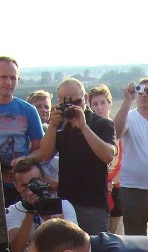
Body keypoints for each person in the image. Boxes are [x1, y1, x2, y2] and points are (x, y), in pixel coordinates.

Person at [0, 56, 45, 252]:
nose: (8, 82)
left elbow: (40, 147)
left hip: (20, 186)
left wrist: (23, 163)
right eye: (3, 76)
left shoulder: (27, 111)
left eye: (13, 77)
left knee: (24, 234)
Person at [37, 78, 115, 237]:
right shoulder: (59, 125)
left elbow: (108, 155)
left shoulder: (102, 124)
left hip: (93, 203)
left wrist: (83, 126)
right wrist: (52, 125)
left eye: (77, 102)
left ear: (86, 98)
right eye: (67, 103)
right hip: (66, 202)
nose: (73, 107)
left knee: (96, 251)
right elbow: (44, 155)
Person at [112, 78, 148, 238]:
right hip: (132, 190)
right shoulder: (128, 117)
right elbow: (115, 133)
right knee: (135, 240)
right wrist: (127, 100)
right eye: (141, 91)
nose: (145, 95)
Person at [87, 84, 124, 234]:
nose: (99, 107)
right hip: (95, 189)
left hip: (117, 188)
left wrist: (112, 181)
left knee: (117, 233)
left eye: (103, 103)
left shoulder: (120, 129)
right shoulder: (87, 132)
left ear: (110, 105)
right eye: (95, 104)